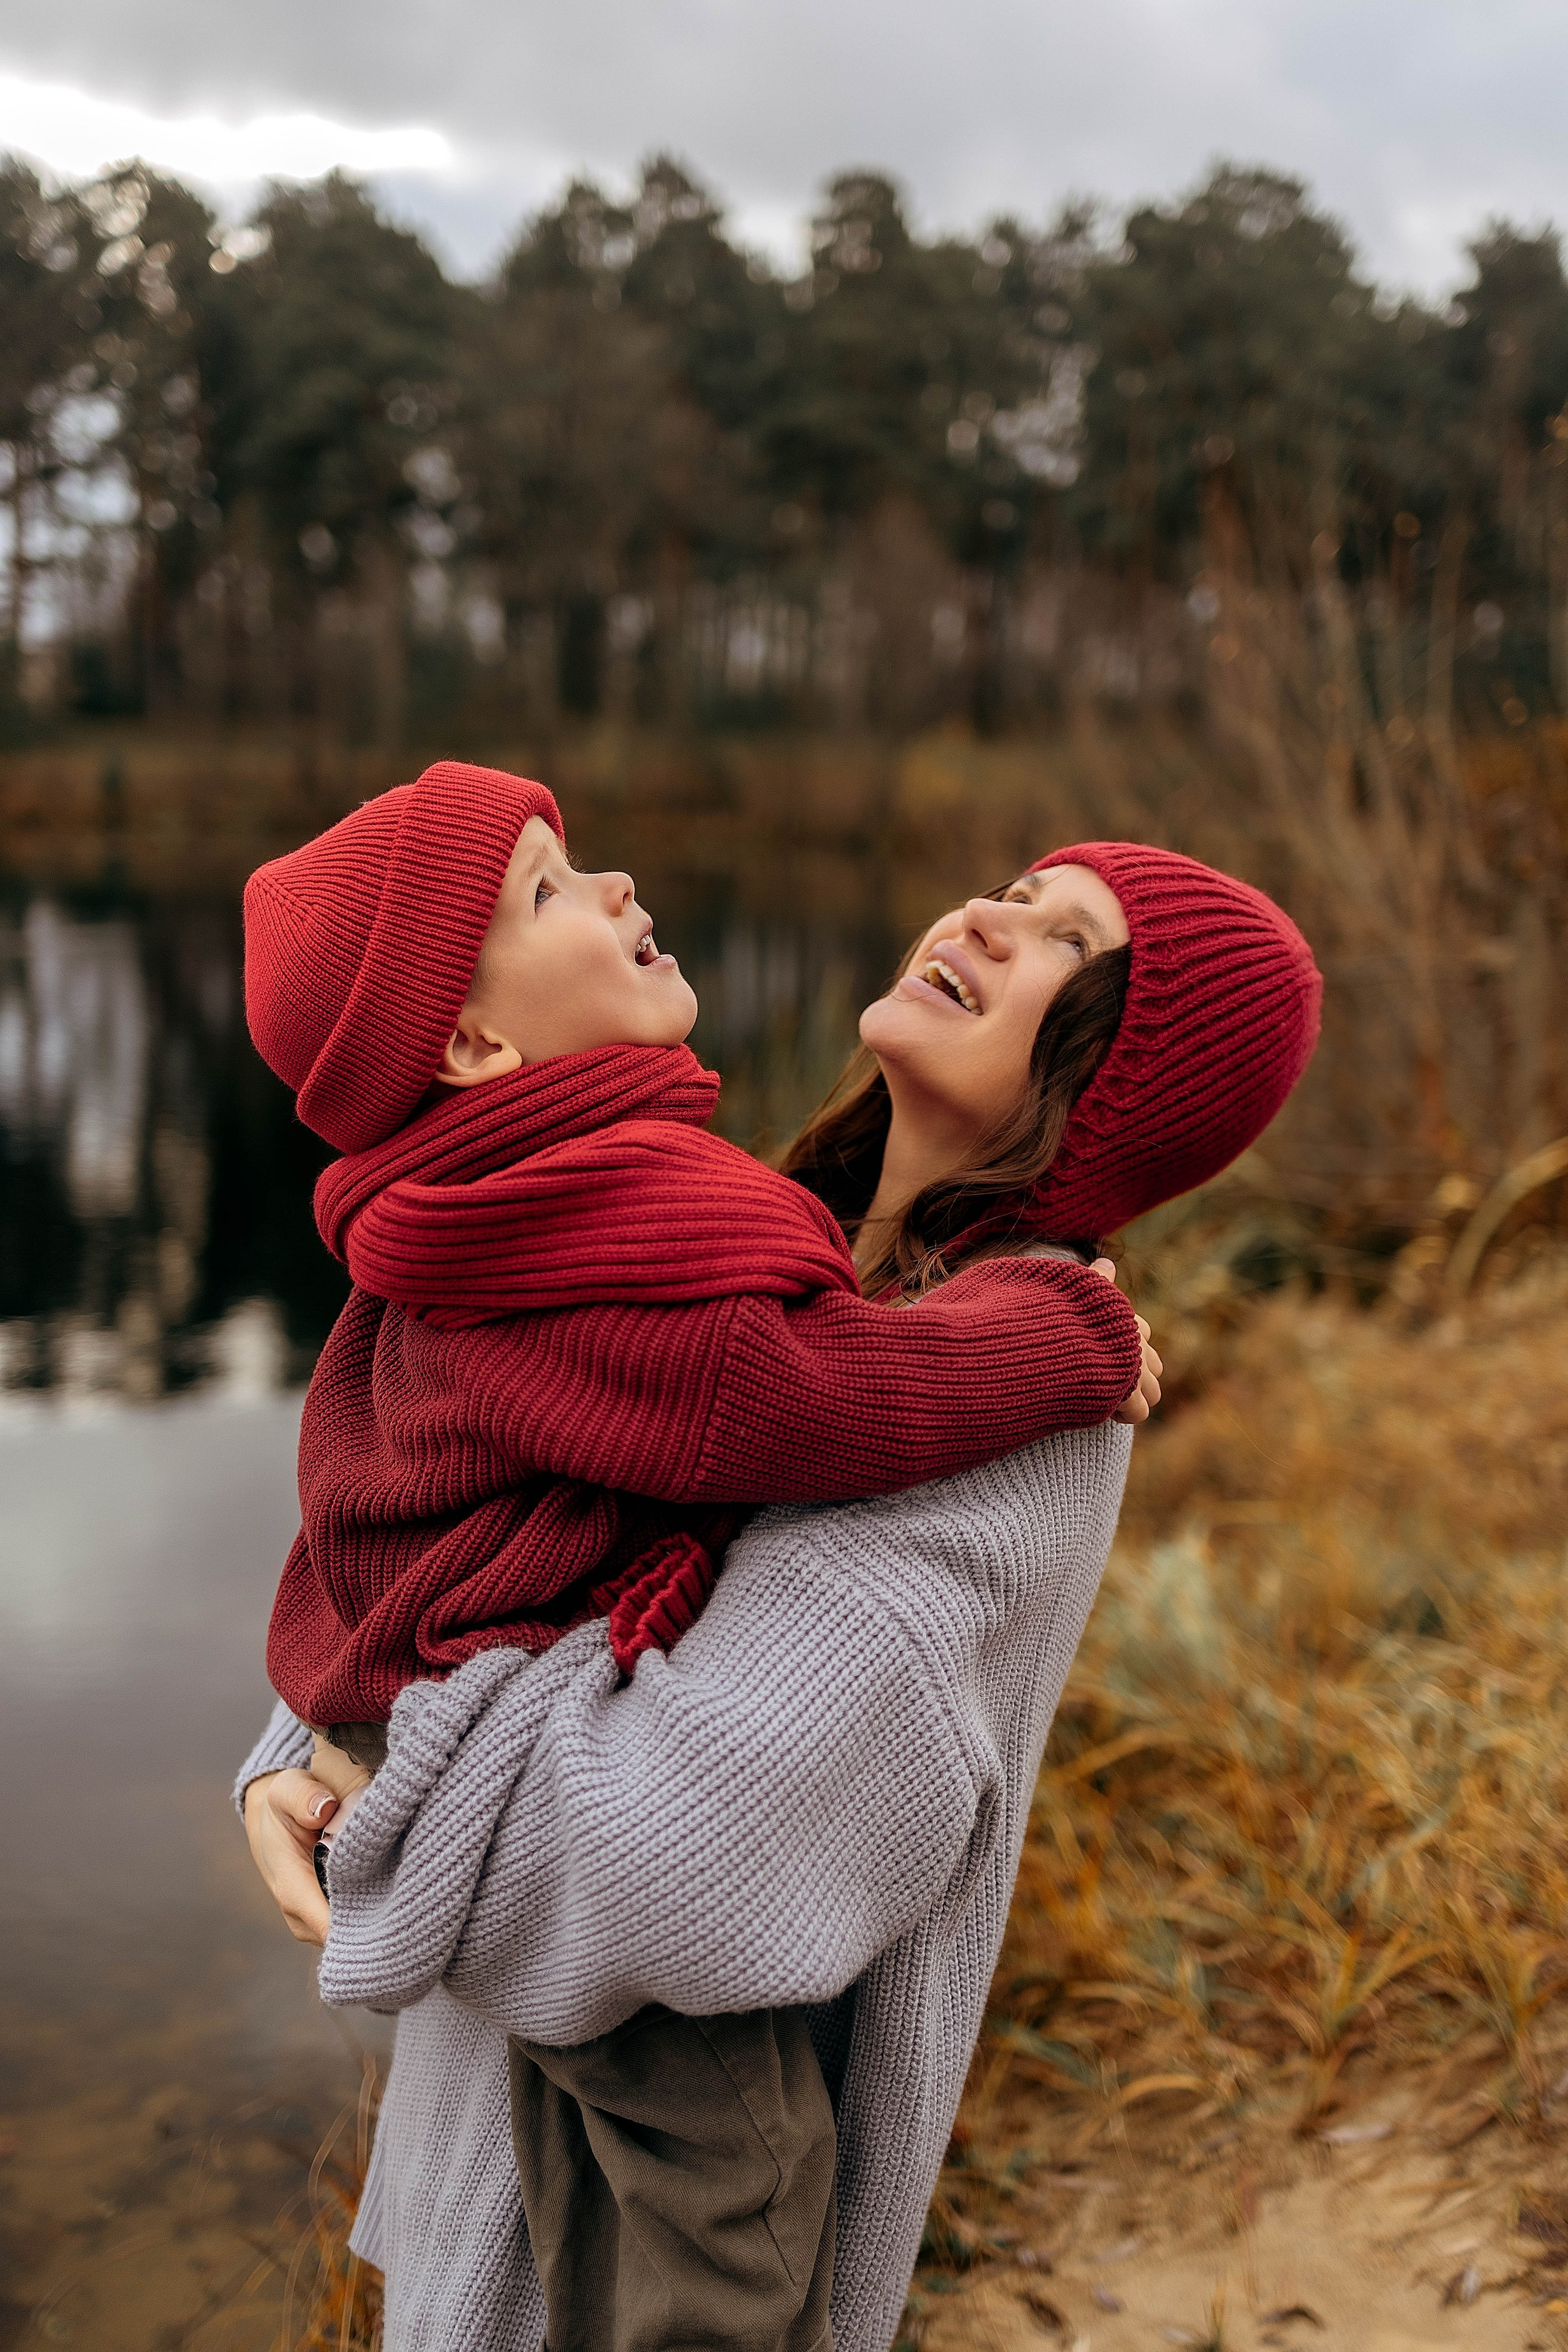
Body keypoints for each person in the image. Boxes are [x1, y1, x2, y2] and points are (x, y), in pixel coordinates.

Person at [241, 827, 1320, 2352]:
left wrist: (381, 1776)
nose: (988, 917)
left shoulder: (1017, 1419)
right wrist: (299, 1746)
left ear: (1121, 1081)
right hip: (478, 2188)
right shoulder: (767, 1237)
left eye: (1066, 940)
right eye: (1012, 891)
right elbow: (468, 1495)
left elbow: (661, 1864)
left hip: (615, 2272)